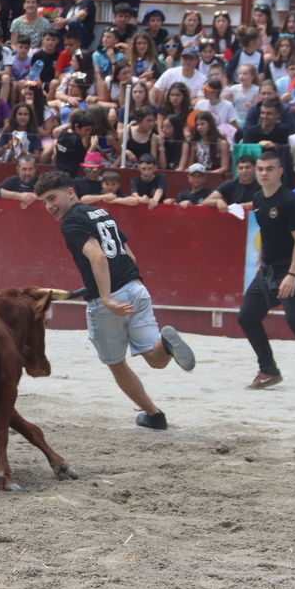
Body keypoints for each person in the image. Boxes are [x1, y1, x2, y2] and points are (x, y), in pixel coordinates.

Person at [34, 170, 195, 430]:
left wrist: (107, 298)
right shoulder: (100, 213)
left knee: (116, 363)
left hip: (110, 300)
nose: (49, 206)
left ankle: (154, 415)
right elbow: (129, 255)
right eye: (43, 202)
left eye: (52, 198)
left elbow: (98, 257)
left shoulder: (70, 221)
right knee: (155, 359)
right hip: (136, 288)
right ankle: (166, 344)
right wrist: (130, 284)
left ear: (70, 193)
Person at [238, 151, 295, 394]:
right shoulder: (258, 199)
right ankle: (269, 371)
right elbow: (265, 234)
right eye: (260, 169)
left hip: (290, 268)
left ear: (280, 172)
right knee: (246, 317)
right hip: (268, 269)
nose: (263, 173)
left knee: (294, 318)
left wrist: (292, 275)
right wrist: (260, 262)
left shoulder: (290, 201)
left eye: (269, 169)